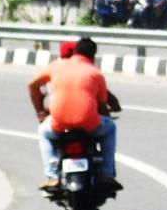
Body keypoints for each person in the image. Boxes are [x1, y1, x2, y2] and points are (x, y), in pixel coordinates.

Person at [28, 36, 122, 192]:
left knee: (43, 132)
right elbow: (102, 105)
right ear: (93, 56)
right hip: (89, 125)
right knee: (110, 127)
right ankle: (107, 174)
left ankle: (52, 176)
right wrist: (106, 116)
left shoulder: (56, 67)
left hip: (59, 124)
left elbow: (32, 85)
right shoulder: (95, 73)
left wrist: (40, 112)